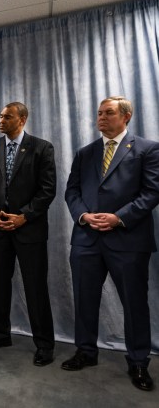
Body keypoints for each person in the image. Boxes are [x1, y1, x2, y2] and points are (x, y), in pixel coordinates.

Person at [64, 96, 159, 391]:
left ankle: (139, 362)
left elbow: (152, 192)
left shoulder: (147, 149)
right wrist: (82, 216)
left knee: (134, 304)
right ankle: (86, 351)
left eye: (109, 113)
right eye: (99, 113)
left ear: (126, 117)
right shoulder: (85, 153)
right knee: (84, 299)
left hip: (128, 240)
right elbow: (72, 191)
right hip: (87, 239)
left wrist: (119, 218)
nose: (101, 118)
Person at [0, 102, 56, 366]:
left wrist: (25, 215)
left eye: (7, 116)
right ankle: (0, 334)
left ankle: (44, 344)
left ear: (22, 119)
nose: (1, 120)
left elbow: (47, 190)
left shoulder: (41, 148)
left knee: (35, 288)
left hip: (29, 230)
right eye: (0, 116)